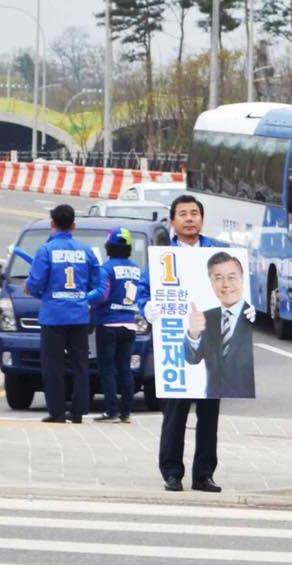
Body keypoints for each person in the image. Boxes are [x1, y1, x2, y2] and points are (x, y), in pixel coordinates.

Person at [141, 195, 228, 493]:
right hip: (175, 343)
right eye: (183, 214)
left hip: (213, 342)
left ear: (202, 219)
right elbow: (143, 290)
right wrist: (147, 307)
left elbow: (238, 285)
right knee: (175, 412)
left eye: (194, 213)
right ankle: (172, 472)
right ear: (173, 221)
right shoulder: (162, 255)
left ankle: (204, 474)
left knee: (209, 413)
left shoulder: (220, 251)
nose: (190, 218)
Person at [25, 204, 102, 424]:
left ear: (52, 224)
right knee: (80, 364)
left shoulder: (46, 251)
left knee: (53, 366)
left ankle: (57, 412)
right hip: (79, 316)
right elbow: (97, 286)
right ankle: (78, 411)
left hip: (53, 316)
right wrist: (82, 300)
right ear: (74, 225)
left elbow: (36, 284)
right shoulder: (86, 251)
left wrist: (34, 289)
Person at [183, 252, 255, 398]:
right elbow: (192, 359)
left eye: (231, 277)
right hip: (212, 396)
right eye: (218, 278)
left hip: (247, 401)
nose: (226, 284)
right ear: (211, 282)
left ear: (242, 279)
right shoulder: (205, 318)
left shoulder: (254, 318)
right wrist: (194, 334)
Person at [93, 227, 147, 424]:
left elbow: (102, 295)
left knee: (107, 369)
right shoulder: (136, 269)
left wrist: (84, 299)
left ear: (109, 246)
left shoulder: (106, 269)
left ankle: (111, 410)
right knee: (125, 369)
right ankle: (126, 411)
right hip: (130, 324)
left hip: (108, 324)